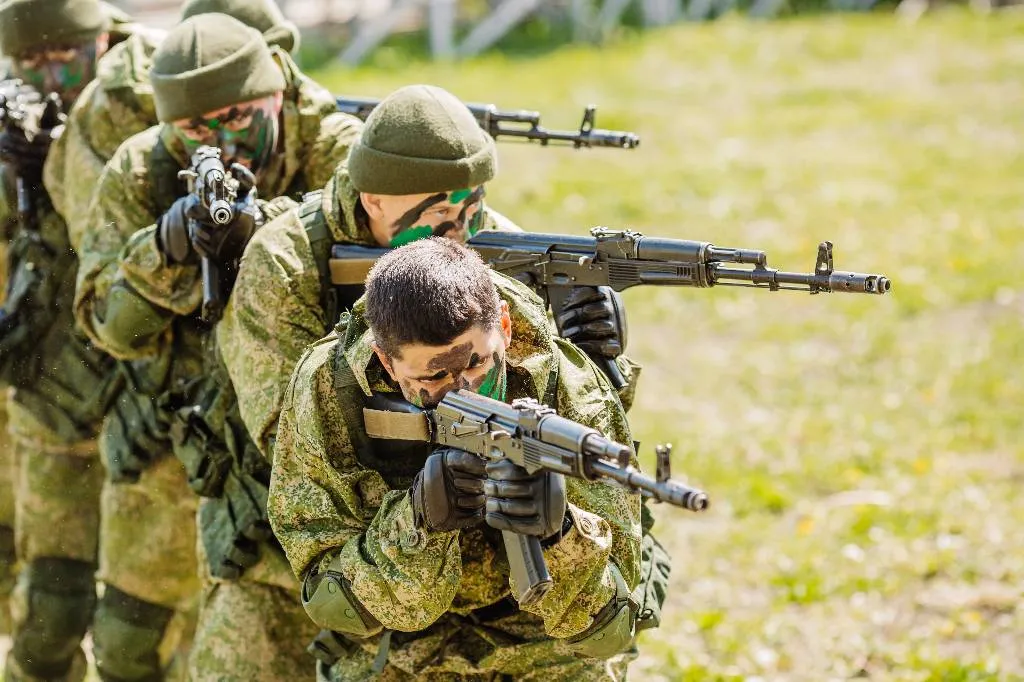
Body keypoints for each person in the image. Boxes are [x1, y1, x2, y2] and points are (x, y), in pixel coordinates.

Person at [71, 12, 362, 680]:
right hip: (190, 441)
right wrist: (166, 249)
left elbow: (403, 282)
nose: (221, 144)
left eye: (238, 118)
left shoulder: (337, 148)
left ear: (275, 96)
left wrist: (275, 238)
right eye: (195, 131)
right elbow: (106, 324)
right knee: (130, 638)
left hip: (321, 446)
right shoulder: (143, 167)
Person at [270, 237, 643, 680]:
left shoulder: (569, 388)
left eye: (476, 364)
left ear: (504, 326)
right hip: (396, 643)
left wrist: (559, 534)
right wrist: (417, 521)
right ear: (387, 364)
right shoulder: (330, 392)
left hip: (540, 640)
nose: (463, 388)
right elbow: (335, 604)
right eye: (434, 375)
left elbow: (610, 628)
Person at [0, 0, 161, 678]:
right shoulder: (17, 110)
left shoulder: (153, 89)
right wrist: (20, 174)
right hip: (56, 387)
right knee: (52, 604)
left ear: (100, 35)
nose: (49, 75)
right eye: (29, 62)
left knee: (138, 629)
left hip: (150, 395)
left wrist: (61, 166)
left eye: (62, 56)